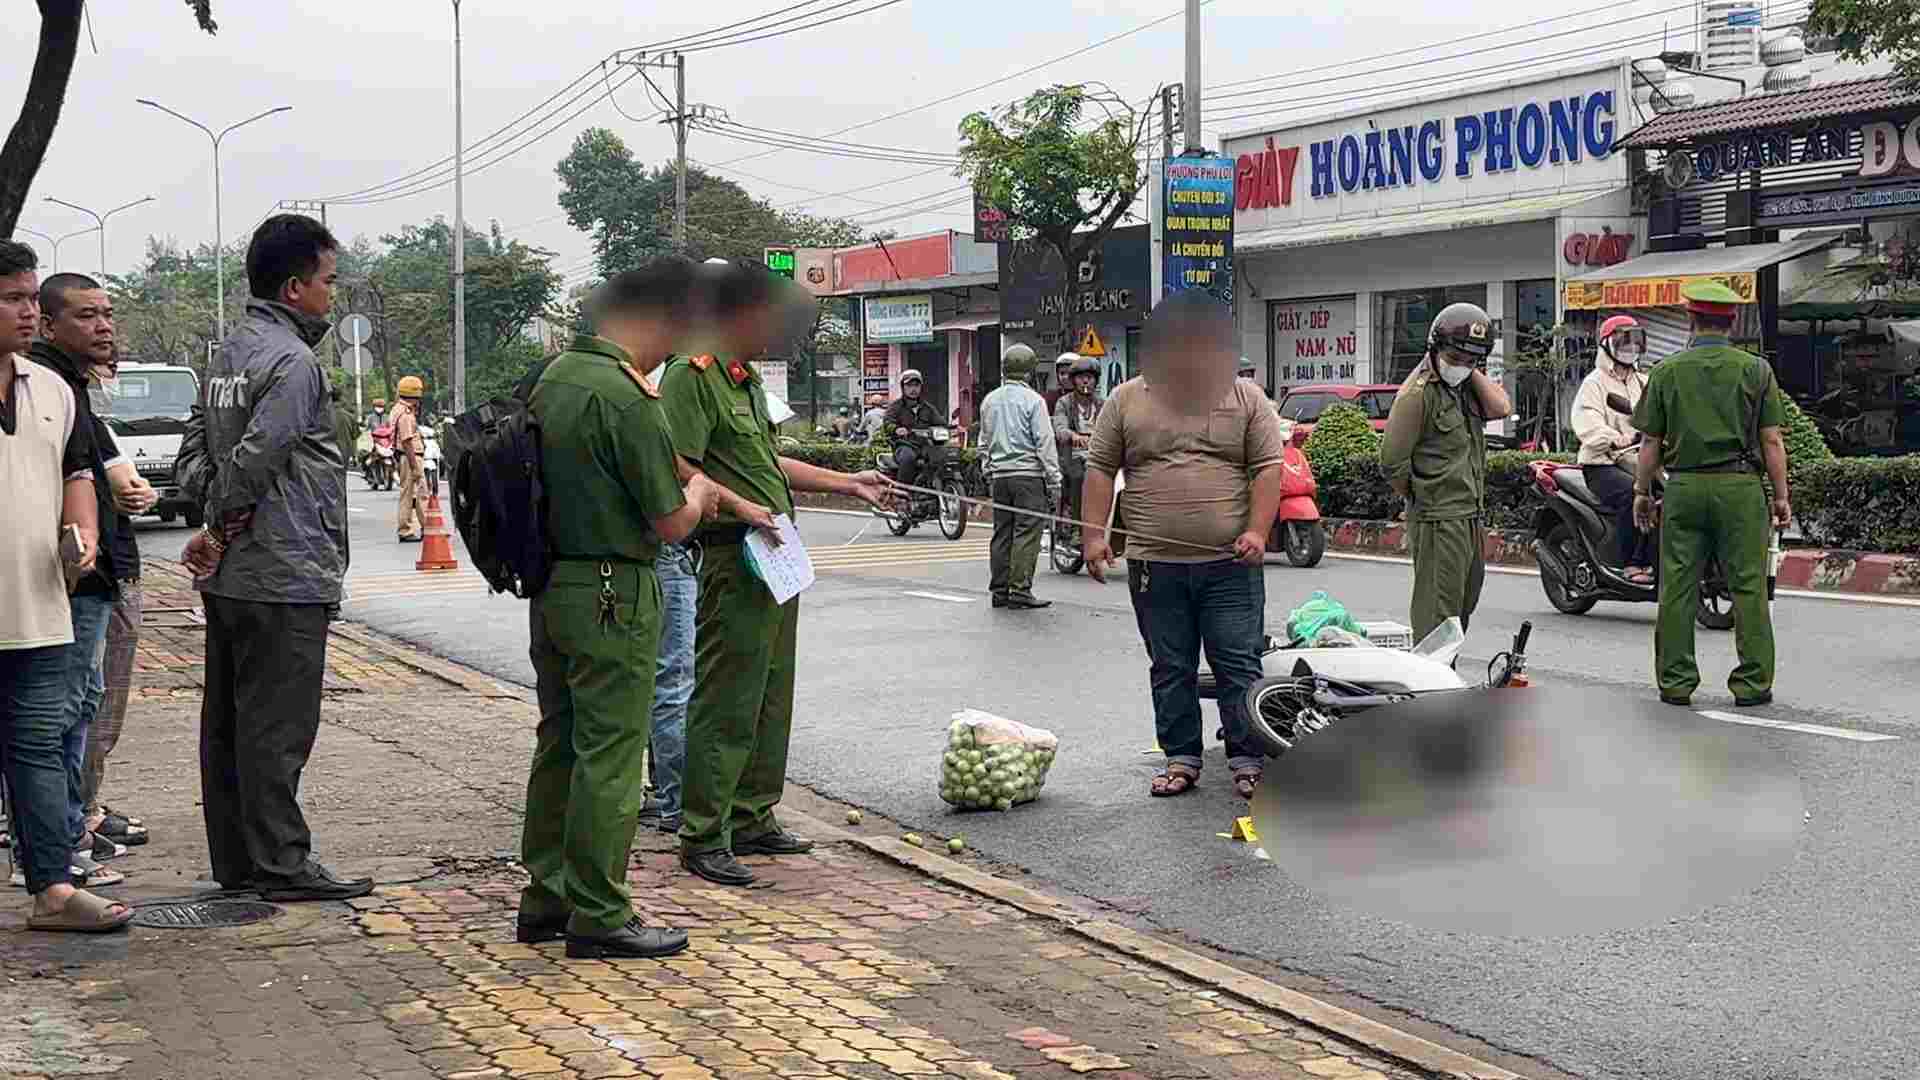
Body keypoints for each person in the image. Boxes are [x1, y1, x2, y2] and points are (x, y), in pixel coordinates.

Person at [660, 261, 890, 888]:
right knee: (727, 695)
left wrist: (848, 481)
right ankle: (703, 833)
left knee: (769, 690)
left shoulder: (743, 382)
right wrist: (736, 506)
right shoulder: (693, 374)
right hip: (735, 554)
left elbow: (768, 461)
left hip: (773, 555)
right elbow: (675, 462)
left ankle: (752, 814)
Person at [518, 260, 720, 960]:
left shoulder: (554, 379)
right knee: (610, 752)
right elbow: (669, 521)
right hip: (613, 590)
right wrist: (702, 498)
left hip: (553, 588)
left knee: (561, 743)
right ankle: (601, 912)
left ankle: (546, 895)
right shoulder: (628, 398)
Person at [175, 213, 369, 902]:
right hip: (282, 571)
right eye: (328, 282)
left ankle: (241, 861)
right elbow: (258, 460)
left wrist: (213, 523)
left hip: (236, 578)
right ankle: (284, 864)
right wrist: (224, 528)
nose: (333, 296)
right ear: (294, 288)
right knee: (278, 727)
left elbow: (195, 455)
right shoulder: (293, 363)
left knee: (230, 724)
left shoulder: (228, 354)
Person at [1081, 291, 1286, 800]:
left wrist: (1258, 531)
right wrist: (1092, 536)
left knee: (1237, 662)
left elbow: (1267, 468)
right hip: (1155, 564)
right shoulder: (1128, 399)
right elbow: (1101, 468)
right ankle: (1181, 757)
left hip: (1230, 564)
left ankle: (1246, 758)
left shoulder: (1246, 399)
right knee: (1170, 665)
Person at [0, 239, 125, 931]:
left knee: (40, 747)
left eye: (29, 296)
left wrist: (85, 538)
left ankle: (52, 888)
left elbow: (79, 471)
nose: (26, 310)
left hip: (41, 605)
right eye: (12, 298)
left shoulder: (49, 390)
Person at [28, 274, 155, 881]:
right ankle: (56, 846)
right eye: (86, 316)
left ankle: (69, 830)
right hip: (75, 579)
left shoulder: (66, 389)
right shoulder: (46, 387)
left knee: (80, 707)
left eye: (106, 314)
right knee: (60, 713)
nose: (103, 326)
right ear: (48, 324)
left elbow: (102, 475)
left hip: (96, 574)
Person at [1632, 281, 1791, 708]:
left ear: (1690, 317)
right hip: (1740, 490)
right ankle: (1752, 684)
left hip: (1683, 488)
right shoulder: (1756, 370)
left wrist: (1641, 492)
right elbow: (1772, 440)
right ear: (1732, 320)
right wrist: (1781, 497)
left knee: (1678, 586)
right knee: (1748, 586)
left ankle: (1676, 682)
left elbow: (1650, 443)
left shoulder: (1666, 370)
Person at [1380, 302, 1513, 643]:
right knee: (1438, 611)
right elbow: (1392, 464)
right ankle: (1430, 687)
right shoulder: (1417, 394)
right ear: (1435, 348)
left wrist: (1469, 367)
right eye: (1455, 358)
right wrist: (1422, 496)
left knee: (1463, 603)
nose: (1461, 366)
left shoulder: (1464, 385)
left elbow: (1501, 408)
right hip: (1438, 516)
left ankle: (1446, 672)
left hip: (1470, 513)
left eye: (1472, 360)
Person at [81, 346, 155, 849]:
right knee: (89, 703)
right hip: (95, 578)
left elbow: (134, 487)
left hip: (112, 567)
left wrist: (137, 492)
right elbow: (124, 486)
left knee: (95, 701)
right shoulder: (63, 407)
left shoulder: (90, 421)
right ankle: (74, 815)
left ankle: (80, 806)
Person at [978, 343, 1061, 610]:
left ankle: (999, 590)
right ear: (1030, 371)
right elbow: (1044, 442)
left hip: (1000, 478)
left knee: (1002, 532)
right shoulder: (1034, 401)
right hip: (1028, 477)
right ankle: (1020, 589)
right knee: (1027, 532)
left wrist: (989, 470)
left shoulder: (989, 400)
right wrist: (1054, 478)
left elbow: (983, 442)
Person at [1572, 315, 1654, 584]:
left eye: (1635, 342)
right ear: (1607, 345)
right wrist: (1613, 437)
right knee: (1634, 493)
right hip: (1601, 464)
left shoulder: (1644, 381)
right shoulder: (1593, 384)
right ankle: (1631, 562)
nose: (1630, 348)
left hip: (1640, 458)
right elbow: (1587, 422)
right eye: (1623, 342)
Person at [1052, 354, 1103, 526]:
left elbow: (1114, 428)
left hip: (1099, 458)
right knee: (1078, 476)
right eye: (1081, 378)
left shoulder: (1103, 404)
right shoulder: (1064, 403)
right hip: (1073, 459)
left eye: (1089, 378)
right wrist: (1073, 436)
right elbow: (1059, 428)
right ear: (1074, 381)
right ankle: (1076, 527)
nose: (1086, 382)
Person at [884, 369, 942, 494]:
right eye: (909, 385)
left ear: (921, 387)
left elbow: (940, 423)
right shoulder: (895, 407)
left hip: (926, 446)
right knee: (908, 458)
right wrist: (896, 429)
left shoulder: (928, 408)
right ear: (903, 387)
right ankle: (901, 495)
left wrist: (953, 428)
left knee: (943, 457)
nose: (913, 389)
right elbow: (887, 423)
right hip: (904, 446)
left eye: (916, 385)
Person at [389, 376, 426, 543]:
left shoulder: (397, 409)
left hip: (405, 457)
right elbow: (407, 442)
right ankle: (406, 530)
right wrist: (415, 468)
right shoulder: (405, 414)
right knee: (419, 493)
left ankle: (425, 526)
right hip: (410, 457)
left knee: (411, 493)